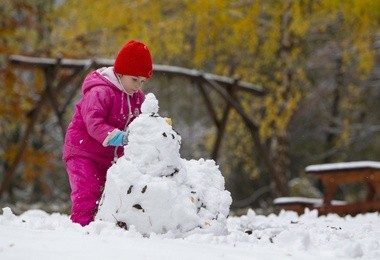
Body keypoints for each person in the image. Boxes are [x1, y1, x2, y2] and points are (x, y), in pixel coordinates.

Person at [63, 40, 153, 226]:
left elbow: (141, 124)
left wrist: (153, 132)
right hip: (83, 151)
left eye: (142, 82)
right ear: (120, 73)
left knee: (116, 191)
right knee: (88, 190)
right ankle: (82, 227)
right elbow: (93, 122)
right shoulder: (101, 91)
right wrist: (121, 137)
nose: (138, 86)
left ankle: (105, 227)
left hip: (108, 156)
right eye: (134, 79)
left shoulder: (138, 98)